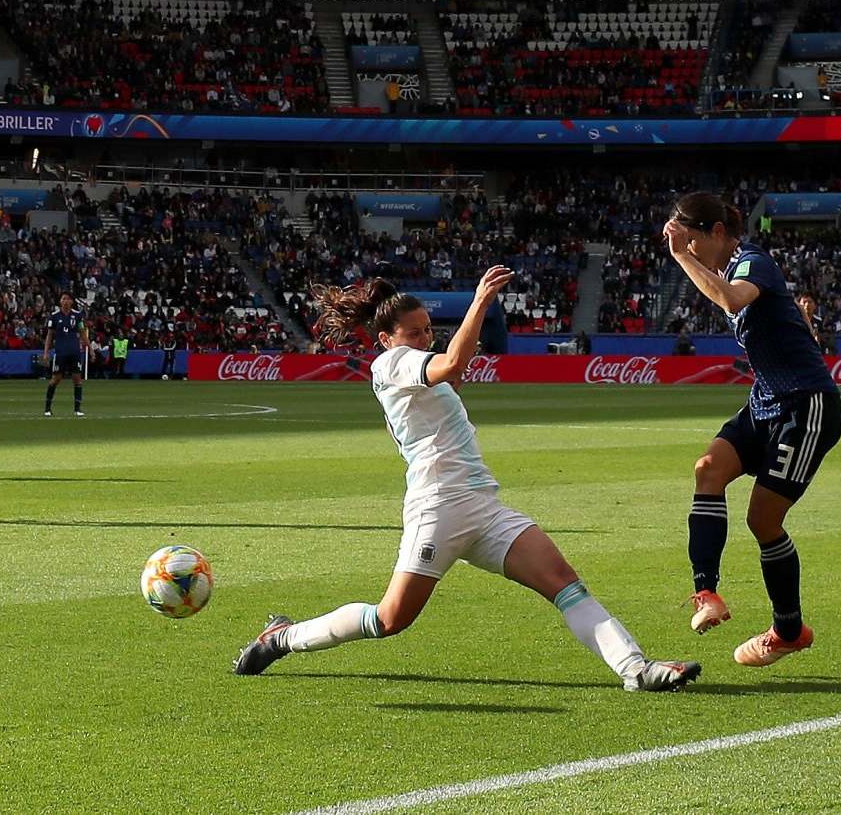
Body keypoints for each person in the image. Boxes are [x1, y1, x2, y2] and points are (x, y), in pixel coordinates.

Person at [233, 267, 699, 693]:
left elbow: (452, 368)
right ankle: (284, 637)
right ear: (384, 339)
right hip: (437, 507)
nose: (422, 339)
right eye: (413, 333)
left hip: (482, 506)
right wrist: (479, 302)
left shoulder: (418, 365)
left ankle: (636, 669)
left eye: (426, 331)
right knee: (391, 618)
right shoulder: (391, 364)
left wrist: (465, 326)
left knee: (565, 583)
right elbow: (453, 365)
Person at [665, 192, 841, 668]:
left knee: (762, 521)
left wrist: (681, 256)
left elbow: (731, 297)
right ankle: (707, 593)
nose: (690, 249)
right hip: (765, 400)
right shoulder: (731, 267)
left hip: (806, 408)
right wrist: (800, 321)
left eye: (694, 239)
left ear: (717, 233)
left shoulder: (751, 262)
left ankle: (789, 631)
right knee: (708, 469)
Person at [42, 291, 86, 417]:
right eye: (63, 299)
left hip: (75, 352)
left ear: (72, 301)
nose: (65, 301)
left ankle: (77, 409)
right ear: (60, 301)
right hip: (60, 353)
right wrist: (46, 353)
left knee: (77, 380)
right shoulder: (55, 316)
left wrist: (90, 349)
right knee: (56, 379)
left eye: (68, 299)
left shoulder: (77, 316)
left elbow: (82, 332)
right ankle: (47, 408)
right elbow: (49, 336)